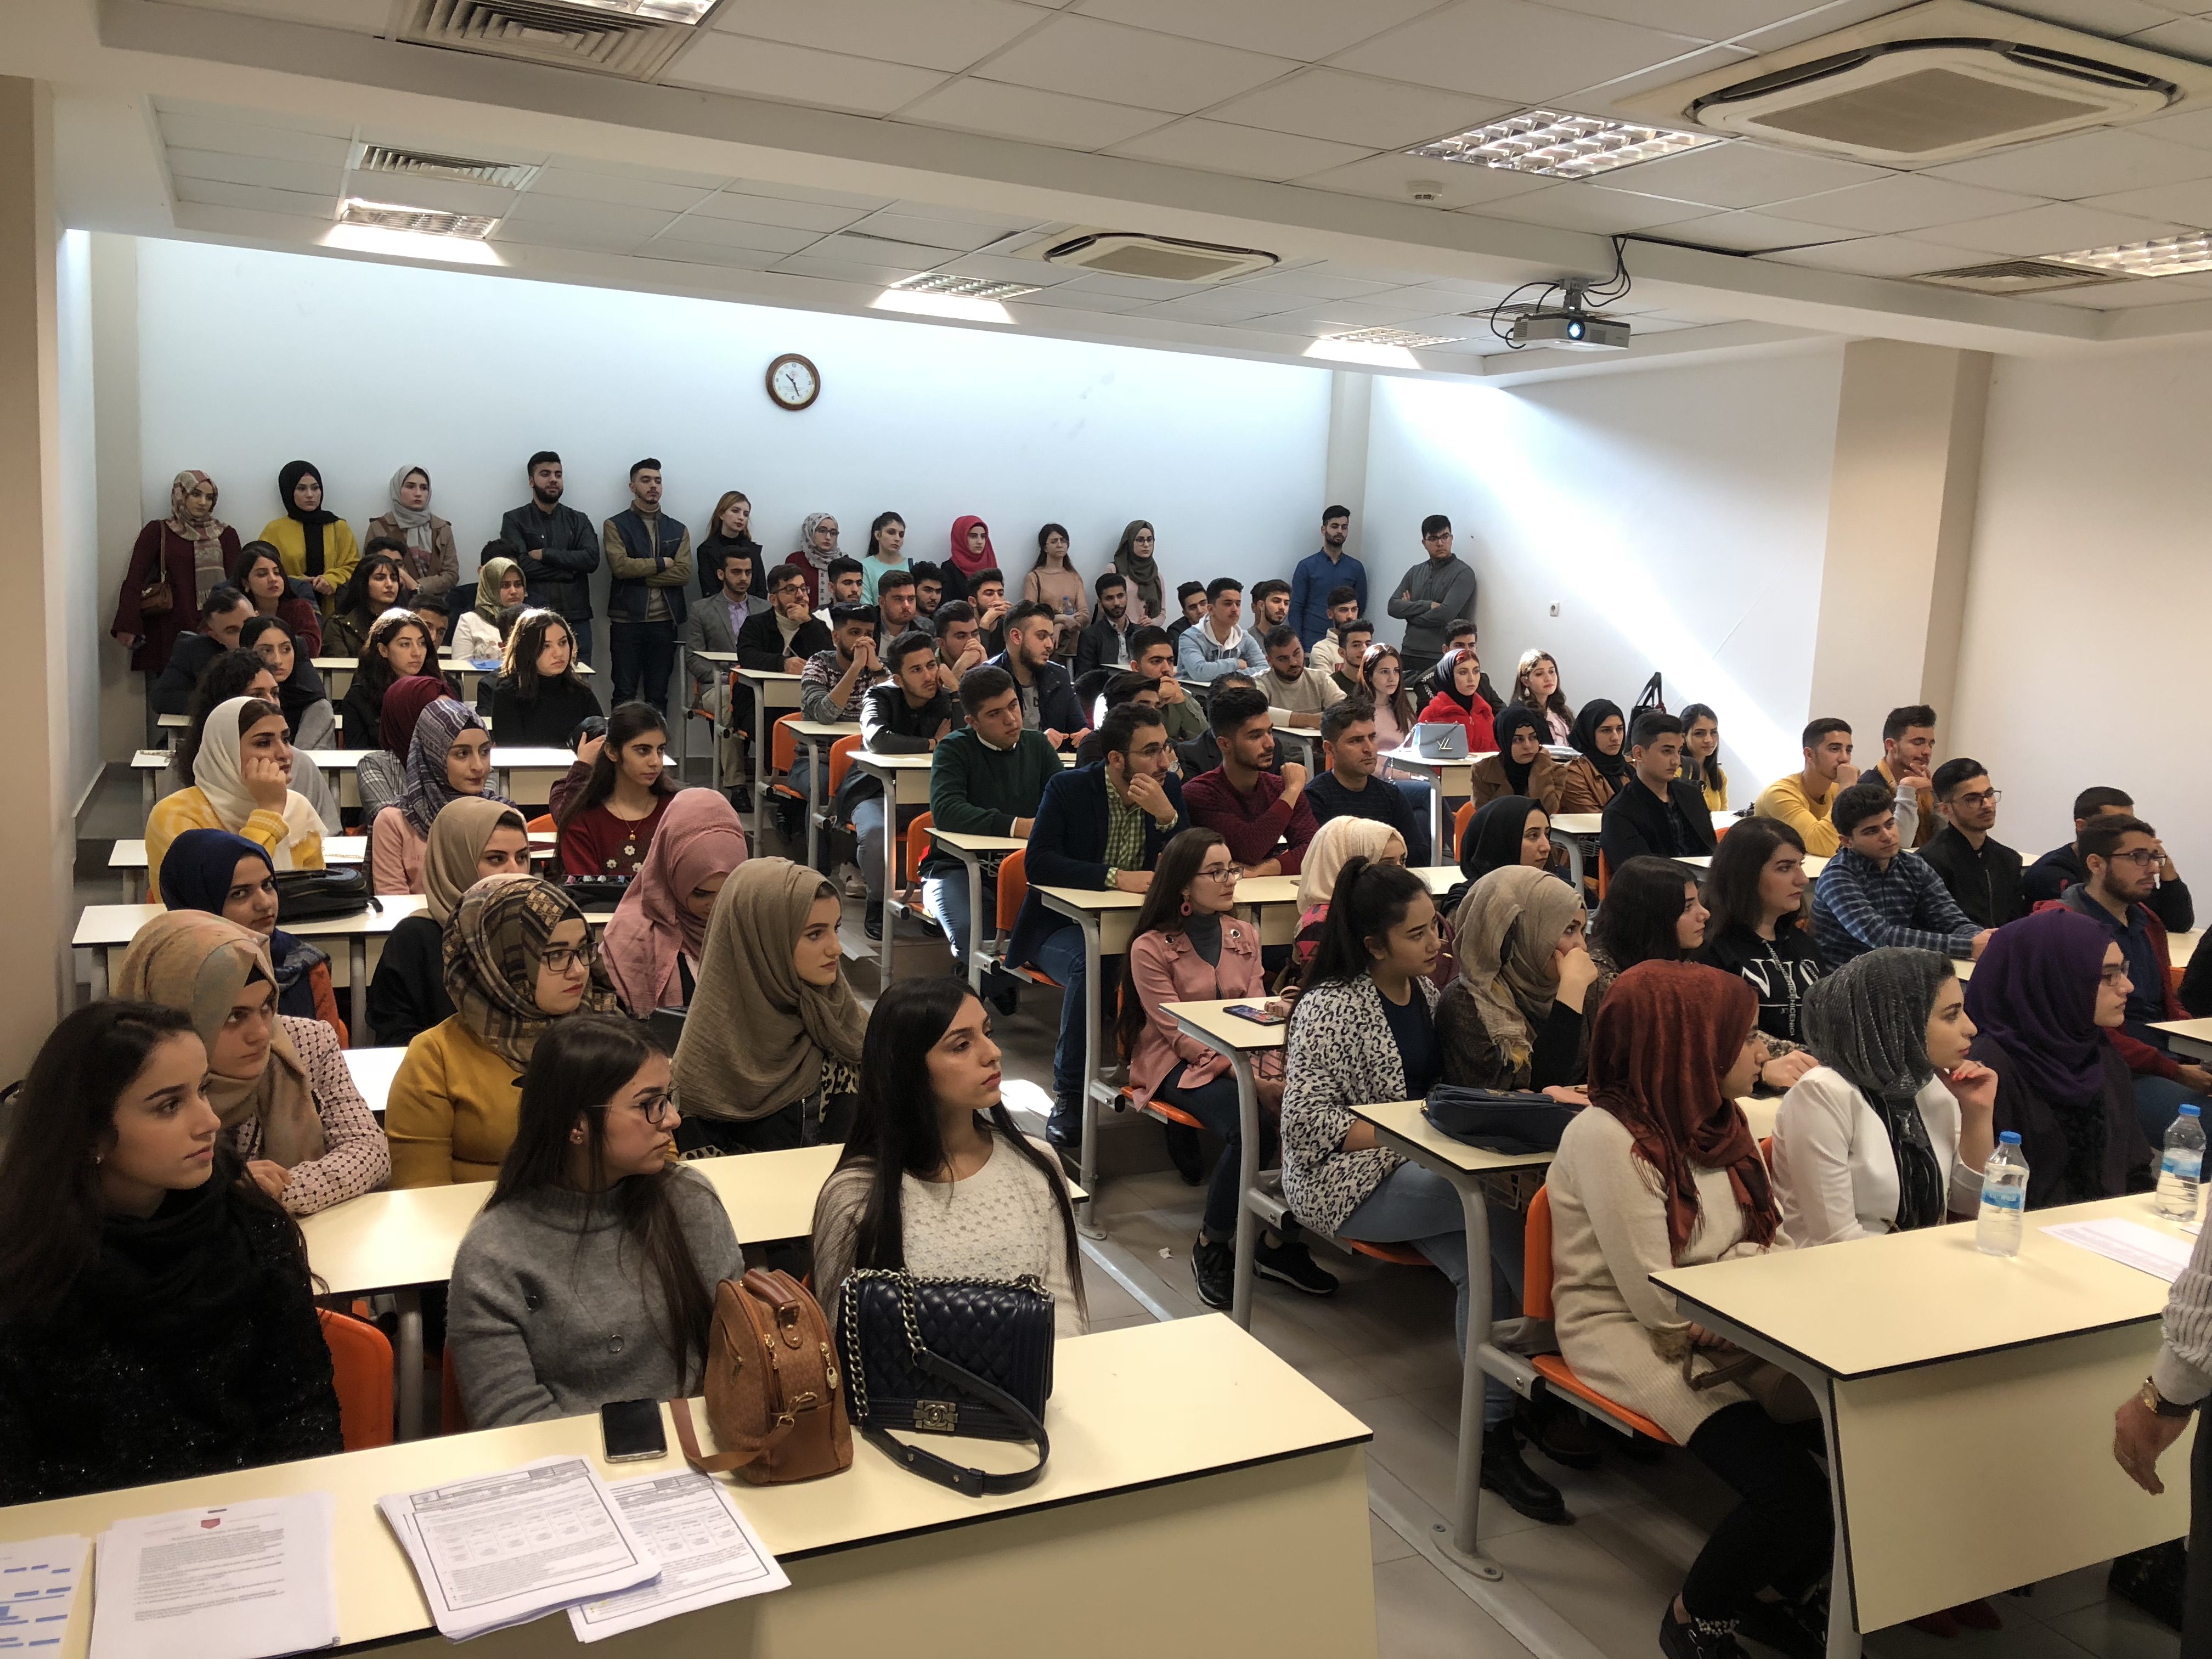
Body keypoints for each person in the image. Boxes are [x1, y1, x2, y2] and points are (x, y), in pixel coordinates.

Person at [1546, 962, 1830, 1659]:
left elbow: (1773, 1240)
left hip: (1733, 1317)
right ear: (1688, 1046)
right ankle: (1693, 1619)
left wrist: (1736, 1275)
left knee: (1858, 1440)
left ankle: (1770, 1593)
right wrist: (1741, 1278)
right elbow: (1659, 1303)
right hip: (1625, 1330)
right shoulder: (1607, 1137)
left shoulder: (1721, 1118)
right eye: (1745, 1037)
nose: (1762, 1052)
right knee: (1792, 1493)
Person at [1280, 857, 1571, 1518]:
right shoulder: (1331, 1006)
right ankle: (1547, 1356)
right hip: (1341, 1180)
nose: (1436, 942)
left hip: (1415, 1167)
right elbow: (1305, 1126)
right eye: (1416, 935)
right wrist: (1409, 1135)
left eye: (1434, 926)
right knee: (1499, 1216)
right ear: (1374, 944)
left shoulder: (1427, 996)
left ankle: (1495, 1425)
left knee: (1483, 1268)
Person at [0, 1001, 341, 1505]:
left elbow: (302, 1414)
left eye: (202, 1090)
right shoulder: (26, 1266)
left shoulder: (250, 1227)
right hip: (79, 1532)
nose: (209, 1121)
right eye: (168, 1106)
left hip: (244, 1518)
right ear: (91, 1133)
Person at [447, 1015, 740, 1429]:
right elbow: (510, 1417)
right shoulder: (495, 1254)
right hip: (565, 1460)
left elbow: (738, 1351)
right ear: (577, 1125)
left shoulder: (689, 1201)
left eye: (668, 1098)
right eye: (649, 1104)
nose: (673, 1119)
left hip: (704, 1444)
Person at [1117, 830, 1334, 1303]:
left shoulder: (1243, 934)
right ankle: (1212, 1244)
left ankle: (1278, 1244)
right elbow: (1177, 1033)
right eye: (1215, 872)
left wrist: (1274, 1059)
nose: (1230, 879)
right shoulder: (1150, 947)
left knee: (1311, 1111)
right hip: (1174, 1063)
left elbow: (1254, 1012)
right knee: (1252, 1124)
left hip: (1245, 1057)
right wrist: (1251, 1080)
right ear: (1183, 884)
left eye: (1231, 869)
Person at [812, 978, 1088, 1338]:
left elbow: (1064, 1309)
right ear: (907, 1068)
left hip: (1032, 1373)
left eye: (987, 1032)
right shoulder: (856, 1196)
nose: (992, 1053)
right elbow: (843, 1342)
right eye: (961, 1045)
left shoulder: (1037, 1163)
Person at [117, 911, 388, 1214]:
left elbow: (370, 1150)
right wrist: (223, 1191)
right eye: (234, 1016)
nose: (261, 1033)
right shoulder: (140, 1076)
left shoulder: (306, 1042)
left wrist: (274, 1190)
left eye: (267, 1006)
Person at [1010, 702, 1189, 1146]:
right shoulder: (1069, 788)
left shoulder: (1168, 791)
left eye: (1165, 748)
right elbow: (1039, 863)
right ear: (1116, 759)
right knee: (1091, 964)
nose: (1163, 761)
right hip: (1062, 925)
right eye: (1150, 751)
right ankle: (1070, 1094)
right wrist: (1115, 878)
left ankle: (1183, 1091)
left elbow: (1192, 864)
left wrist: (1168, 818)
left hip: (1138, 930)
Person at [387, 875, 619, 1186]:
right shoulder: (436, 1056)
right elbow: (419, 1189)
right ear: (501, 961)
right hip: (472, 1213)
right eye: (556, 955)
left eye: (582, 950)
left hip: (605, 1208)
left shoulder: (611, 1032)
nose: (578, 970)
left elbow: (658, 1153)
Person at [1772, 949, 1993, 1248]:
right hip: (1843, 1270)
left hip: (1919, 1262)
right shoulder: (1822, 1094)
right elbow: (1835, 1241)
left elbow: (1971, 1206)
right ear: (1899, 1021)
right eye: (1951, 1015)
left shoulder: (1928, 1084)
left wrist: (1977, 1112)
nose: (1971, 1028)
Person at [672, 857, 866, 1152]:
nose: (836, 948)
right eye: (815, 934)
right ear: (762, 941)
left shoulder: (844, 1019)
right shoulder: (709, 1054)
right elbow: (703, 1171)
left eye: (835, 928)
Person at [1966, 908, 2155, 1208]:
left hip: (2107, 1223)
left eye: (2123, 970)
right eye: (2108, 975)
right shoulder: (1988, 1069)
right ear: (2054, 980)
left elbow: (2135, 1169)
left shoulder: (2098, 1051)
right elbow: (1990, 1197)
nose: (2127, 987)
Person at [2042, 812, 2212, 1142]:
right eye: (2138, 857)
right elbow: (2085, 1030)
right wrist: (2176, 1071)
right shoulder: (2064, 925)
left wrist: (2196, 1052)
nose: (2153, 868)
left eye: (2155, 857)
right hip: (2106, 1068)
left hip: (2160, 1057)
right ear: (2096, 864)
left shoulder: (2146, 921)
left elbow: (2166, 1005)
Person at [920, 666, 1061, 1006]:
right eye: (995, 714)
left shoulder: (1038, 746)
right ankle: (990, 981)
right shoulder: (954, 748)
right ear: (973, 722)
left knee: (1058, 926)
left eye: (1013, 706)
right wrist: (1016, 826)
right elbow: (947, 811)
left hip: (1024, 870)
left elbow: (1064, 807)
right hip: (954, 868)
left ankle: (991, 978)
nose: (1011, 719)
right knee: (970, 934)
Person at [368, 799, 533, 1048]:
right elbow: (396, 1039)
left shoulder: (540, 926)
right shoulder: (414, 939)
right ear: (457, 861)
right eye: (496, 859)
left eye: (522, 857)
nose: (515, 871)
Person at [157, 829, 345, 1037]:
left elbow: (327, 1052)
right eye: (239, 894)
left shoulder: (304, 967)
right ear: (198, 903)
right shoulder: (164, 978)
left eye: (267, 885)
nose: (265, 903)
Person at [1438, 862, 1595, 1098]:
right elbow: (1539, 1090)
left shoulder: (1579, 984)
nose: (1582, 947)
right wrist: (1570, 994)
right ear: (1516, 934)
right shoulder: (1465, 1003)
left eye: (1582, 931)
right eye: (1569, 930)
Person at [148, 697, 325, 902]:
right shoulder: (175, 814)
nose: (284, 753)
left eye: (286, 739)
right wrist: (270, 812)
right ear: (225, 751)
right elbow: (219, 895)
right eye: (264, 743)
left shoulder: (297, 807)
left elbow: (314, 896)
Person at [1698, 817, 1828, 1081]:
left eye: (1800, 866)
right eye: (1785, 868)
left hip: (1815, 1077)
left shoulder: (1802, 943)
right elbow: (1713, 1034)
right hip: (1749, 1085)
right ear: (1746, 875)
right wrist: (1766, 1070)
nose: (1802, 880)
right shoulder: (1709, 949)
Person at [1810, 780, 1990, 968]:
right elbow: (1881, 936)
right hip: (1844, 976)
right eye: (1872, 831)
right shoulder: (1838, 876)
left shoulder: (1913, 865)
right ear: (1847, 842)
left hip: (1898, 969)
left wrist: (1983, 939)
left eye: (1890, 824)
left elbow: (1950, 919)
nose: (1887, 836)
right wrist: (1968, 946)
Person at [599, 789, 747, 1015]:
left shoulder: (753, 928)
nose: (716, 906)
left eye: (728, 892)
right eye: (701, 893)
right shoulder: (632, 940)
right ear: (671, 875)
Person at [161, 647, 340, 834]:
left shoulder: (299, 765)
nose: (271, 703)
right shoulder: (181, 786)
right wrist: (270, 810)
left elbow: (327, 840)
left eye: (275, 693)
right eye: (256, 695)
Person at [847, 631, 955, 938]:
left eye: (931, 665)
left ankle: (937, 902)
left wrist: (959, 691)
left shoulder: (946, 698)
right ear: (898, 679)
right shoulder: (879, 696)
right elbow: (878, 740)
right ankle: (878, 900)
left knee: (956, 828)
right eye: (916, 670)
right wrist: (934, 743)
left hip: (930, 794)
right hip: (876, 791)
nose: (929, 676)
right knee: (876, 834)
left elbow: (966, 740)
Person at [373, 696, 514, 895]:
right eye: (462, 754)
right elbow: (394, 902)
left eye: (484, 752)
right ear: (433, 756)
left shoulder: (505, 815)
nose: (478, 766)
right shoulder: (395, 822)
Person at [112, 470, 244, 676]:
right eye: (196, 494)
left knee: (217, 688)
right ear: (180, 495)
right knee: (171, 691)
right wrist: (128, 624)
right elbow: (135, 578)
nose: (203, 502)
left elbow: (236, 586)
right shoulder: (158, 531)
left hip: (215, 628)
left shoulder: (226, 535)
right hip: (169, 628)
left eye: (210, 497)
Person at [1183, 685, 1317, 878]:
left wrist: (1261, 870)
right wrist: (1292, 791)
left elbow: (1314, 850)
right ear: (1225, 744)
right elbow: (1249, 850)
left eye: (1270, 732)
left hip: (1262, 888)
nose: (1270, 744)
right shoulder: (1200, 793)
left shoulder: (1280, 786)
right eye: (1255, 736)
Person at [2025, 786, 2196, 930]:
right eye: (2114, 824)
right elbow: (2093, 922)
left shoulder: (2131, 867)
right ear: (2081, 826)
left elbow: (2178, 923)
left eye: (2129, 822)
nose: (2127, 831)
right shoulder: (2051, 872)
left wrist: (2161, 860)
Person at [602, 457, 691, 715]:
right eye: (646, 480)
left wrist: (642, 575)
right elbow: (620, 567)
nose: (653, 485)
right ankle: (620, 742)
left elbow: (684, 573)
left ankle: (657, 742)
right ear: (632, 487)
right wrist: (662, 563)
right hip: (626, 622)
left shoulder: (678, 529)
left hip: (664, 622)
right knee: (624, 693)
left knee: (658, 696)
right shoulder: (615, 525)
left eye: (658, 481)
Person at [499, 451, 600, 665]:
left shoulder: (579, 520)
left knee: (579, 680)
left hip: (576, 617)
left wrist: (546, 554)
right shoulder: (515, 519)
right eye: (545, 474)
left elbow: (591, 560)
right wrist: (571, 570)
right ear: (531, 481)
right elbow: (520, 566)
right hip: (532, 617)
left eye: (558, 474)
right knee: (532, 677)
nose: (553, 479)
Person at [554, 703, 675, 878]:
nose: (656, 762)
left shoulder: (676, 809)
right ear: (612, 752)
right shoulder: (583, 818)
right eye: (643, 750)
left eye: (661, 750)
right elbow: (585, 890)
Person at [682, 541, 770, 778]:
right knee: (729, 703)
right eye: (736, 572)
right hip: (717, 685)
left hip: (756, 683)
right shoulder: (702, 609)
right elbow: (693, 657)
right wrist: (723, 678)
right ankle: (735, 782)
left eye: (748, 572)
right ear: (721, 574)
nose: (744, 578)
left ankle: (773, 777)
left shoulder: (764, 608)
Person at [1306, 699, 1429, 865]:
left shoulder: (1390, 795)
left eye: (1372, 737)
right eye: (1356, 741)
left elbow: (1420, 855)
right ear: (1330, 749)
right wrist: (1386, 855)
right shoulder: (1315, 797)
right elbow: (1324, 859)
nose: (1369, 748)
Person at [1916, 758, 2024, 930]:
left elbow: (2018, 921)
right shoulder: (1929, 862)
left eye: (1989, 794)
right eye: (1972, 799)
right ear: (1946, 809)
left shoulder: (2009, 859)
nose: (1987, 805)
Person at [1602, 711, 1719, 868]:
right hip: (1659, 883)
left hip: (1705, 880)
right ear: (1639, 754)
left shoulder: (1692, 796)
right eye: (1667, 751)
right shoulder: (1620, 812)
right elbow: (1638, 875)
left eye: (1679, 751)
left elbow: (1711, 852)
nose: (1676, 761)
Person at [1290, 816, 1407, 972]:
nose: (1402, 872)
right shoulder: (1318, 928)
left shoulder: (1387, 906)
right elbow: (1320, 984)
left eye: (1402, 861)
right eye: (1387, 864)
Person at [257, 460, 358, 617]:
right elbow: (261, 572)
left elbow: (355, 567)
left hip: (336, 612)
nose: (310, 495)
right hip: (290, 610)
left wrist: (331, 580)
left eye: (315, 488)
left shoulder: (338, 527)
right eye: (302, 488)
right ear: (288, 491)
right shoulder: (274, 531)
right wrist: (298, 583)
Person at [492, 608, 600, 748]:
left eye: (563, 643)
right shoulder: (507, 695)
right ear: (527, 650)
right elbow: (512, 754)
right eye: (546, 646)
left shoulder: (582, 693)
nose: (559, 653)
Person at [1386, 515, 1475, 679]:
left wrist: (1410, 614)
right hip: (1408, 652)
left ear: (1451, 538)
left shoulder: (1463, 573)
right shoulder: (1415, 572)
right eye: (1433, 538)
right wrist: (1428, 605)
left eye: (1445, 537)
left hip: (1441, 656)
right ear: (1424, 543)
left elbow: (1445, 614)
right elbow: (1393, 607)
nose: (1440, 543)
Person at [1754, 718, 1858, 859]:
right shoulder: (1779, 794)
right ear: (1809, 755)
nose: (1844, 758)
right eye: (1835, 749)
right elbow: (1825, 845)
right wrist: (1847, 786)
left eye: (1849, 750)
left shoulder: (1835, 790)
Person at [355, 672, 447, 828]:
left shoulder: (477, 765)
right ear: (407, 716)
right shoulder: (375, 765)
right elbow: (392, 825)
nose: (450, 724)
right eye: (439, 716)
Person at [151, 583, 258, 715]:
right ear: (216, 636)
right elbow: (162, 698)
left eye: (250, 624)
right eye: (232, 631)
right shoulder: (194, 650)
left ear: (258, 616)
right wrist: (225, 702)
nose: (245, 634)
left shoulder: (279, 640)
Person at [992, 600, 1088, 747]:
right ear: (1016, 637)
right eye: (1042, 636)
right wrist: (1036, 743)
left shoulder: (1059, 675)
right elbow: (990, 741)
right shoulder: (990, 678)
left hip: (1054, 760)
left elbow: (1079, 727)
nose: (1050, 645)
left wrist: (1085, 736)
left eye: (1050, 636)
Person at [239, 615, 337, 756]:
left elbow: (306, 765)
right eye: (267, 651)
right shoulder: (232, 702)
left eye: (286, 649)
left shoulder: (315, 709)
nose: (278, 660)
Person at [338, 605, 431, 751]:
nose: (417, 653)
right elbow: (358, 755)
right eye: (405, 644)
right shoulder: (359, 698)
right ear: (383, 650)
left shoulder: (442, 688)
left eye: (422, 643)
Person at [365, 465, 458, 601]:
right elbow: (369, 570)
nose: (418, 493)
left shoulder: (442, 528)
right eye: (410, 487)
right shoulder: (379, 527)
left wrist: (419, 587)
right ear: (397, 489)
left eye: (424, 488)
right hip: (393, 603)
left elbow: (452, 574)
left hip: (436, 604)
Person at [737, 560, 834, 689]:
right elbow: (747, 656)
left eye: (804, 589)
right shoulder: (755, 624)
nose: (801, 595)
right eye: (791, 590)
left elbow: (830, 662)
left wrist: (807, 623)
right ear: (774, 600)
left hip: (806, 693)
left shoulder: (817, 626)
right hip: (760, 691)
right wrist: (783, 663)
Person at [232, 540, 325, 657]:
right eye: (262, 574)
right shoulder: (236, 610)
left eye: (277, 573)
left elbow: (312, 647)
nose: (273, 579)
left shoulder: (299, 607)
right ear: (246, 582)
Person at [1471, 704, 1568, 815]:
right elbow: (1485, 815)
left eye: (1533, 738)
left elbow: (1546, 810)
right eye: (1518, 740)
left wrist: (1540, 767)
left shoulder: (1556, 771)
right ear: (1504, 742)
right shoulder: (1483, 771)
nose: (1527, 746)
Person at [1291, 505, 1364, 649]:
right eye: (1335, 526)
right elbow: (1296, 608)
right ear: (1324, 530)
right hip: (1311, 643)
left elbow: (1360, 608)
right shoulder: (1306, 566)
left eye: (1344, 527)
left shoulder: (1356, 568)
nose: (1340, 531)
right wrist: (1298, 644)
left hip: (1344, 645)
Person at [1121, 625, 1206, 746]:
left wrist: (1181, 703)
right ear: (1136, 667)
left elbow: (1206, 743)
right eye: (1156, 661)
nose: (1167, 669)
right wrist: (1153, 703)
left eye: (1170, 661)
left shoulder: (1179, 695)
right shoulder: (1122, 695)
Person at [1459, 794, 1563, 884]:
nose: (1547, 847)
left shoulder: (1561, 892)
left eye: (1547, 834)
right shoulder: (1468, 899)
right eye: (1533, 835)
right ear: (1500, 842)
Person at [1259, 624, 1346, 730]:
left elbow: (1345, 709)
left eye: (1297, 653)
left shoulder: (1320, 679)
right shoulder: (1260, 682)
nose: (1293, 663)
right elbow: (1256, 713)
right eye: (1283, 659)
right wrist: (1311, 720)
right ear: (1270, 661)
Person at [1873, 704, 1938, 848]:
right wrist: (1907, 789)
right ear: (1891, 745)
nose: (1927, 752)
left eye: (1931, 745)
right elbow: (1898, 845)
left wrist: (1938, 794)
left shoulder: (1926, 784)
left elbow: (1944, 839)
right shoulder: (1869, 787)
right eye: (1918, 743)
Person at [1177, 577, 1265, 682]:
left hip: (1233, 692)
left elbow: (1264, 669)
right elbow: (1199, 672)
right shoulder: (1190, 637)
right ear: (1211, 609)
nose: (1235, 609)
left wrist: (1232, 676)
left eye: (1238, 604)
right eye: (1228, 604)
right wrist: (1236, 663)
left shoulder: (1244, 638)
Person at [1022, 522, 1087, 658]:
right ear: (1045, 547)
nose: (1059, 545)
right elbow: (1030, 615)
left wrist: (1061, 626)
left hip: (1072, 645)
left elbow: (1085, 615)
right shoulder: (1034, 577)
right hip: (1042, 644)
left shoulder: (1074, 577)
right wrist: (1060, 619)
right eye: (1054, 541)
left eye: (1063, 541)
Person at [1416, 646, 1498, 754]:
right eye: (1463, 673)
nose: (1472, 678)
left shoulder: (1485, 712)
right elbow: (1422, 758)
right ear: (1448, 675)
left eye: (1476, 671)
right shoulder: (1432, 714)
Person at [1559, 698, 1629, 815]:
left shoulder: (1633, 765)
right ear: (1589, 733)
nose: (1616, 738)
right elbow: (1592, 820)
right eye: (1606, 730)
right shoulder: (1574, 774)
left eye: (1620, 729)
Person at [453, 553, 526, 662]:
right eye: (505, 586)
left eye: (518, 584)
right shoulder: (470, 621)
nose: (514, 591)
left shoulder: (533, 619)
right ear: (490, 589)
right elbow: (460, 667)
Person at [696, 489, 764, 600]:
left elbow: (761, 590)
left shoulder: (753, 550)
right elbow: (709, 592)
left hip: (752, 607)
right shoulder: (706, 550)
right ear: (722, 514)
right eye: (735, 511)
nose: (741, 518)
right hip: (719, 608)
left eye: (746, 514)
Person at [1363, 642, 1420, 763]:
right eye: (1385, 672)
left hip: (1406, 771)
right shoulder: (1358, 713)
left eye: (1396, 671)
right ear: (1369, 676)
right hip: (1373, 771)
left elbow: (1415, 753)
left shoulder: (1403, 710)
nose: (1392, 678)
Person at [1073, 571, 1136, 678]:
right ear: (1100, 603)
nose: (1117, 603)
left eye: (1120, 596)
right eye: (1110, 598)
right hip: (1106, 686)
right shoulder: (1090, 636)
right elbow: (1086, 677)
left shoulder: (1141, 633)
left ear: (1127, 597)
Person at [926, 599, 987, 698]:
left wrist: (985, 670)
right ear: (941, 643)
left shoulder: (987, 661)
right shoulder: (928, 669)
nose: (972, 642)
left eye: (975, 634)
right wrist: (958, 671)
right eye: (962, 636)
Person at [1109, 518, 1164, 627]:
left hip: (1147, 632)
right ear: (1130, 542)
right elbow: (1106, 606)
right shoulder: (1115, 570)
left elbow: (1162, 613)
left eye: (1150, 540)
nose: (1146, 545)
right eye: (1140, 540)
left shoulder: (1156, 576)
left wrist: (1152, 622)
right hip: (1120, 631)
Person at [1678, 703, 1728, 811]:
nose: (1709, 740)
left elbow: (1724, 815)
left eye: (1713, 732)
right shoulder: (1674, 775)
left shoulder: (1719, 775)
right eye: (1699, 733)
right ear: (1683, 737)